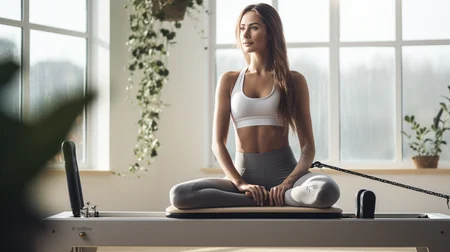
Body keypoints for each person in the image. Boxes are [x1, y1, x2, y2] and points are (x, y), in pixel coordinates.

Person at [169, 3, 340, 209]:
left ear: (271, 32)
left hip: (286, 174)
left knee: (326, 191)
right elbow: (218, 143)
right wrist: (240, 184)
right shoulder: (229, 80)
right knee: (180, 195)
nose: (246, 34)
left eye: (254, 27)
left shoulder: (293, 81)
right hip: (243, 176)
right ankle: (258, 199)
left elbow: (307, 149)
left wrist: (286, 184)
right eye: (242, 28)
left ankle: (275, 196)